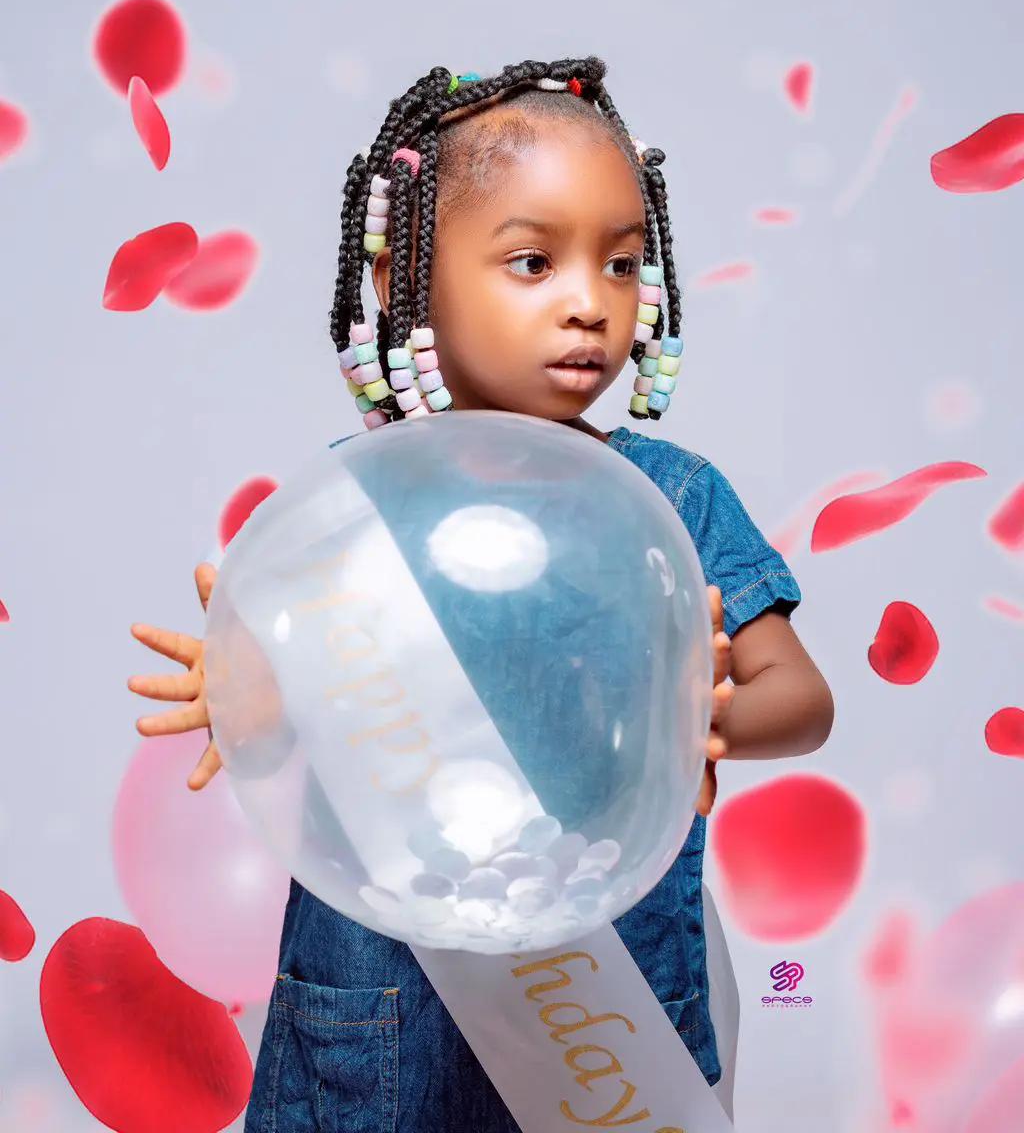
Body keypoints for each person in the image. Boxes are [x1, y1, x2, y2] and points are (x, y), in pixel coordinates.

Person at [128, 56, 834, 1132]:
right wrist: (243, 694)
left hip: (605, 1012)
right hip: (382, 1009)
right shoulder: (343, 509)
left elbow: (802, 697)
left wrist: (701, 705)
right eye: (533, 261)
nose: (589, 304)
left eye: (621, 264)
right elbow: (295, 716)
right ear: (402, 277)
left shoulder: (675, 500)